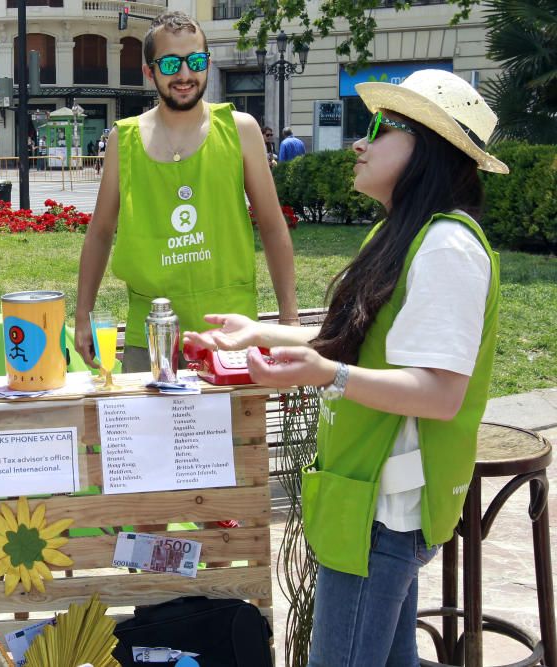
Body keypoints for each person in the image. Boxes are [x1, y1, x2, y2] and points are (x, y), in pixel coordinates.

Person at [183, 69, 508, 665]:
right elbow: (370, 342)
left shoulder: (447, 248)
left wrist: (322, 373)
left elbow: (438, 394)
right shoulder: (401, 232)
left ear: (430, 149)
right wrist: (264, 331)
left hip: (386, 509)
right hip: (363, 496)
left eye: (383, 128)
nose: (360, 142)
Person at [74, 10, 298, 372]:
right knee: (145, 429)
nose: (184, 74)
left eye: (195, 61)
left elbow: (273, 227)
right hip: (147, 336)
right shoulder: (123, 139)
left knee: (234, 430)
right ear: (149, 72)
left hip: (228, 334)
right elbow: (100, 233)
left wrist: (289, 320)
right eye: (170, 64)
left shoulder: (240, 130)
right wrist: (82, 315)